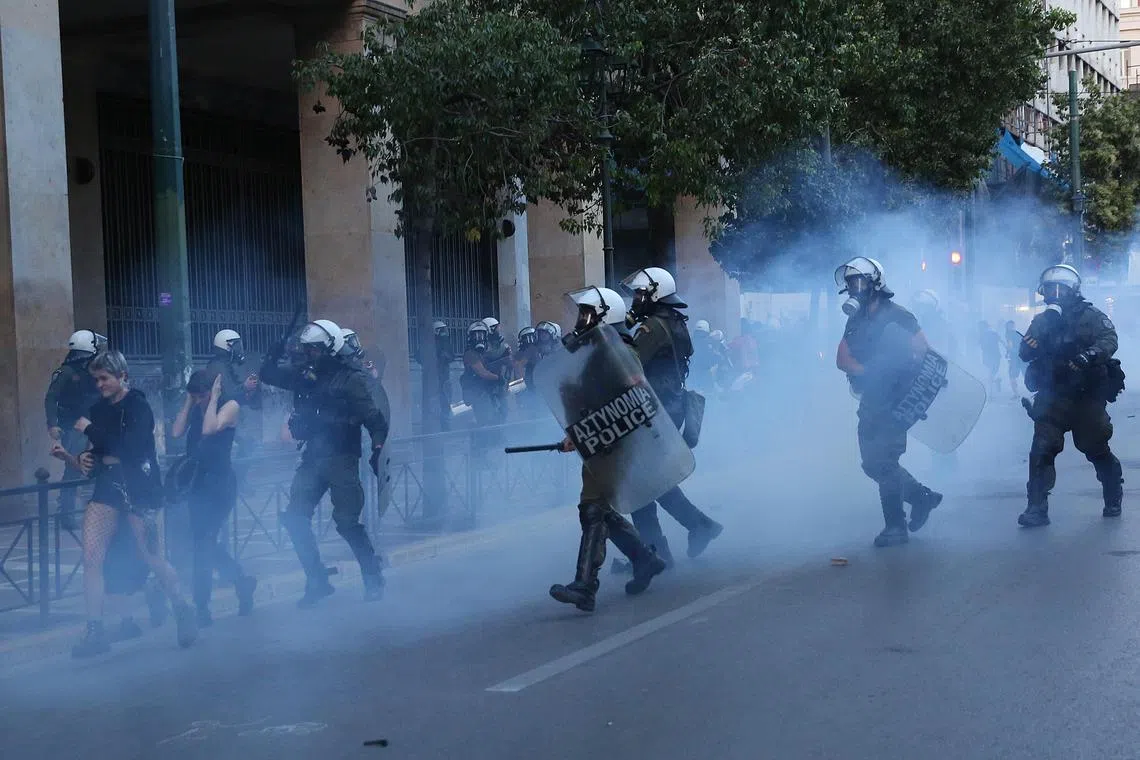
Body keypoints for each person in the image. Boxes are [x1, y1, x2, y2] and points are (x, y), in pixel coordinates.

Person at [59, 350, 197, 658]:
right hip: (108, 485)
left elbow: (130, 448)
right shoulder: (97, 409)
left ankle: (182, 607)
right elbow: (98, 453)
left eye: (104, 378)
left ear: (122, 376)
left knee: (151, 556)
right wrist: (82, 457)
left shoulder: (138, 406)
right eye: (96, 379)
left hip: (139, 487)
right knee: (92, 556)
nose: (100, 385)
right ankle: (95, 631)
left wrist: (90, 430)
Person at [548, 286, 668, 613]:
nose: (580, 320)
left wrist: (585, 432)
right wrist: (576, 433)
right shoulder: (595, 352)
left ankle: (585, 586)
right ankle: (645, 559)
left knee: (593, 508)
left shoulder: (619, 352)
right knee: (597, 509)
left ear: (604, 316)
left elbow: (629, 402)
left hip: (619, 441)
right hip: (600, 441)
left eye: (586, 313)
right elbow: (590, 401)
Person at [260, 319, 389, 607]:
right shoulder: (305, 375)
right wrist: (274, 352)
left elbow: (374, 418)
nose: (309, 356)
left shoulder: (351, 378)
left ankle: (373, 576)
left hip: (342, 456)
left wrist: (378, 448)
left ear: (331, 348)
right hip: (313, 457)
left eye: (314, 350)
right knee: (294, 518)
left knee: (346, 522)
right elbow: (269, 375)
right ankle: (317, 580)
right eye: (306, 350)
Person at [834, 257, 944, 547]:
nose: (854, 289)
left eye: (858, 282)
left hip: (896, 401)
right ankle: (922, 497)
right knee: (870, 463)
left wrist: (902, 378)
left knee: (884, 461)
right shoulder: (855, 320)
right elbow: (842, 359)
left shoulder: (899, 316)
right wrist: (870, 373)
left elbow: (924, 352)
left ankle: (896, 527)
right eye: (849, 284)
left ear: (875, 283)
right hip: (872, 400)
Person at [620, 267, 723, 566]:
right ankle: (693, 529)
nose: (636, 300)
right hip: (666, 406)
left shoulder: (652, 327)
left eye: (641, 294)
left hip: (653, 409)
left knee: (640, 485)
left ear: (655, 295)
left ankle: (657, 550)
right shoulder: (673, 321)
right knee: (651, 480)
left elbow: (629, 364)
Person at [1017, 264, 1124, 527]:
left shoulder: (1091, 316)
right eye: (1050, 289)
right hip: (1052, 395)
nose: (1054, 295)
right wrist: (1029, 345)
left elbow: (1110, 339)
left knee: (1095, 447)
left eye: (1060, 289)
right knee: (1041, 449)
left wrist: (1088, 356)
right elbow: (1025, 352)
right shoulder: (1041, 321)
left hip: (1086, 396)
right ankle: (1036, 507)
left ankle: (1113, 494)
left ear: (1072, 291)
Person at [171, 370, 257, 627]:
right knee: (202, 542)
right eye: (195, 397)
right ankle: (241, 581)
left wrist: (216, 396)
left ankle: (202, 607)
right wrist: (189, 402)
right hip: (198, 484)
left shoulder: (230, 405)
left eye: (202, 395)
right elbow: (176, 431)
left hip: (220, 485)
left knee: (203, 543)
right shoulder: (196, 405)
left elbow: (210, 429)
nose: (199, 401)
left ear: (214, 390)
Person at [45, 330, 106, 531]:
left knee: (95, 465)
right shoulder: (67, 372)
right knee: (73, 468)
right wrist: (53, 424)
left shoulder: (89, 370)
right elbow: (51, 398)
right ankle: (67, 514)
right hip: (74, 427)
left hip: (91, 424)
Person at [433, 320, 454, 430]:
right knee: (436, 403)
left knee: (446, 402)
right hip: (434, 379)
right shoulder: (431, 343)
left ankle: (446, 426)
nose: (444, 333)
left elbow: (451, 356)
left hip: (445, 378)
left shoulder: (446, 344)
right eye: (442, 330)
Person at [978, 321, 1002, 395]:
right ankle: (992, 387)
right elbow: (1001, 340)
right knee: (992, 371)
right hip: (994, 355)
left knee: (991, 371)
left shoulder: (983, 334)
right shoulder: (992, 333)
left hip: (990, 355)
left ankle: (992, 388)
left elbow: (978, 344)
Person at [1004, 320, 1027, 397]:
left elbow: (1010, 346)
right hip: (1022, 356)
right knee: (1025, 373)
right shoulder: (1017, 333)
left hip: (1015, 358)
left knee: (1012, 375)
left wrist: (1008, 352)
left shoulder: (1009, 334)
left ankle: (1016, 394)